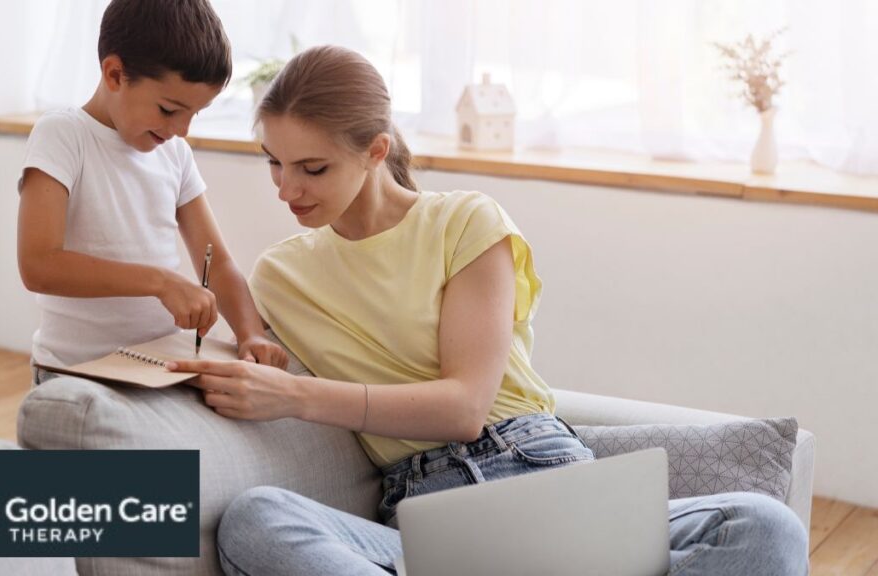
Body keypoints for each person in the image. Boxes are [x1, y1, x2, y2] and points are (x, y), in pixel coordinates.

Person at [168, 46, 809, 576]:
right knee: (257, 521)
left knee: (762, 523)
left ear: (374, 151)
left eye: (311, 168)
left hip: (542, 476)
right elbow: (235, 316)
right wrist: (250, 343)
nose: (285, 189)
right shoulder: (281, 274)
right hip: (427, 522)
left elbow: (464, 407)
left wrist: (296, 396)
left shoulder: (465, 221)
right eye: (273, 164)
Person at [17, 0, 287, 383]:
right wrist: (161, 282)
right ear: (114, 74)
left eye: (195, 113)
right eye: (168, 109)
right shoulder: (63, 135)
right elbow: (39, 266)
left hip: (155, 367)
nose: (182, 129)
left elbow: (219, 262)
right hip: (75, 372)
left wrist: (250, 334)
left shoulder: (174, 154)